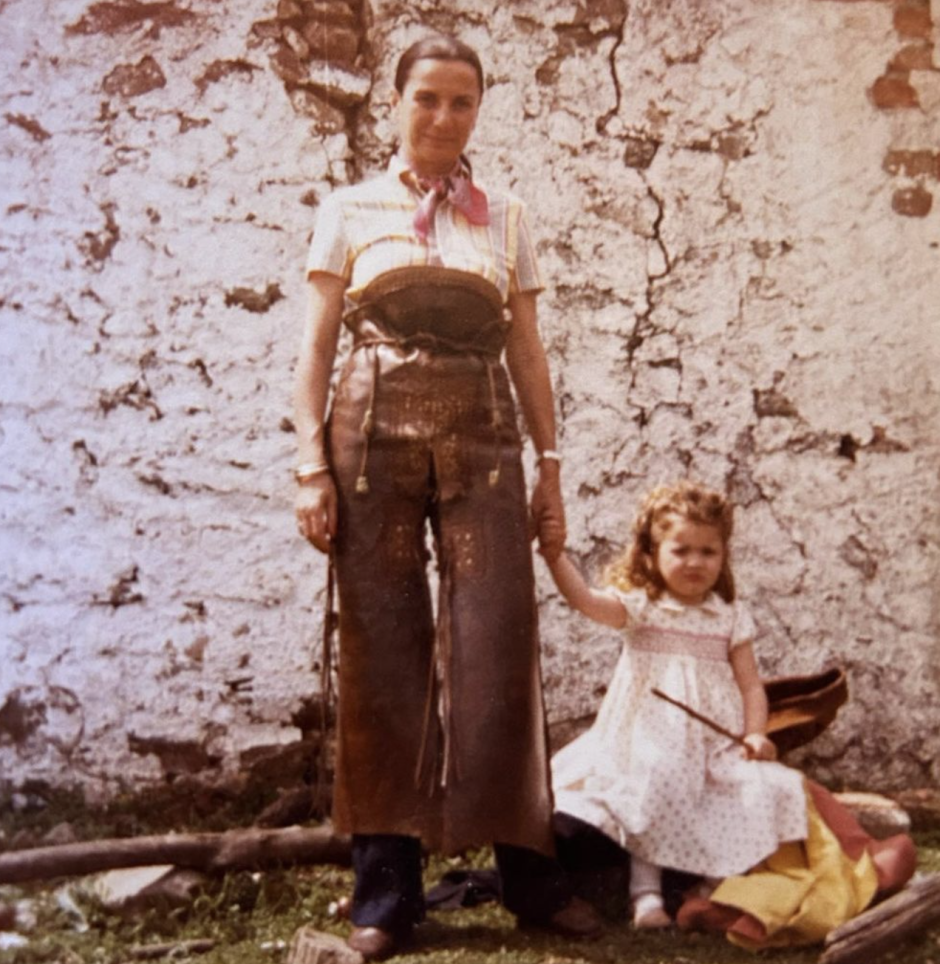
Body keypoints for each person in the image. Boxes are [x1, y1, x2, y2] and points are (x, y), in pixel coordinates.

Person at [293, 33, 600, 961]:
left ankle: (532, 881)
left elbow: (529, 350)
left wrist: (550, 465)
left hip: (483, 435)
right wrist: (311, 464)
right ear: (396, 103)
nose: (442, 117)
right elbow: (313, 350)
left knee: (499, 640)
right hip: (371, 432)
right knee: (382, 646)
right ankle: (387, 895)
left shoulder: (505, 215)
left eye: (461, 102)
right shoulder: (350, 208)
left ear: (478, 112)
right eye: (426, 98)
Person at [543, 481, 808, 928]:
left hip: (713, 744)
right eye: (681, 550)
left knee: (763, 786)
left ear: (724, 556)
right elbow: (585, 601)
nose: (695, 562)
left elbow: (750, 686)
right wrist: (554, 556)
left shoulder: (728, 615)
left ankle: (708, 886)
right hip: (645, 740)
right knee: (656, 779)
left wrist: (756, 733)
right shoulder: (644, 608)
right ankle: (645, 896)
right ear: (651, 554)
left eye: (708, 552)